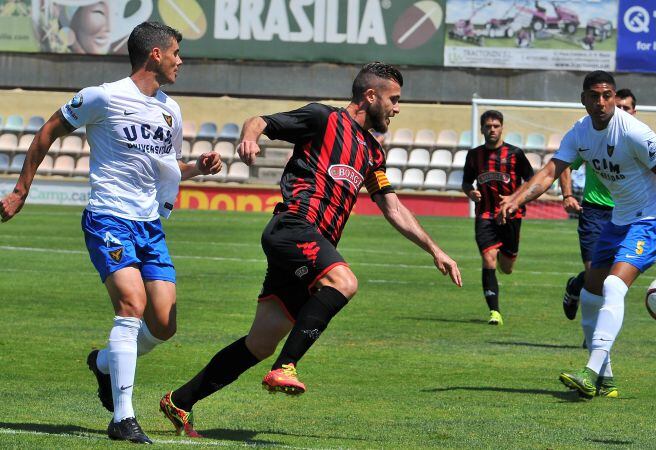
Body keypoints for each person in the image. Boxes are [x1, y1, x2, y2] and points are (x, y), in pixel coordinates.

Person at [158, 62, 462, 438]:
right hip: (293, 227)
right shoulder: (322, 118)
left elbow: (393, 206)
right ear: (371, 95)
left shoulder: (371, 151)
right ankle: (287, 367)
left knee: (260, 342)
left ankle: (181, 400)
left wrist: (435, 249)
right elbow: (260, 121)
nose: (398, 108)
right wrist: (250, 138)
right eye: (394, 99)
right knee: (344, 281)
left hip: (309, 244)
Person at [0, 21, 222, 443]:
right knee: (131, 305)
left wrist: (199, 167)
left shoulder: (170, 110)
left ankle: (103, 364)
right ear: (155, 54)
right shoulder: (102, 96)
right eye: (176, 52)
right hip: (109, 217)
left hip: (150, 225)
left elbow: (168, 168)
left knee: (164, 323)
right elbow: (48, 131)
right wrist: (19, 191)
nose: (181, 60)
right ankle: (123, 418)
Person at [499, 71, 656, 399]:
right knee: (590, 295)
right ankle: (607, 378)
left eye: (607, 95)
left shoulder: (634, 132)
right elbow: (549, 172)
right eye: (594, 96)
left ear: (614, 97)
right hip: (618, 221)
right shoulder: (580, 133)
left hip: (652, 220)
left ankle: (589, 371)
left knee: (614, 285)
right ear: (583, 99)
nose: (601, 102)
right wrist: (516, 198)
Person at [559, 89, 636, 323]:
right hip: (594, 212)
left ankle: (576, 284)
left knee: (613, 279)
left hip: (627, 214)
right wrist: (567, 195)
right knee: (599, 276)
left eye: (627, 108)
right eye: (619, 107)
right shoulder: (595, 136)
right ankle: (593, 334)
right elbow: (564, 164)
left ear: (635, 111)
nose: (622, 112)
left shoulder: (640, 138)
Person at [462, 110, 533, 325]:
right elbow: (466, 182)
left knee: (507, 267)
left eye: (496, 126)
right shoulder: (474, 155)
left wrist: (515, 198)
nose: (492, 130)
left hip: (512, 215)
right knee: (488, 258)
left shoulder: (515, 154)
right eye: (488, 126)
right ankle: (495, 312)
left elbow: (531, 181)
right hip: (485, 215)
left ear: (502, 128)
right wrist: (470, 192)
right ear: (482, 129)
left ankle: (507, 257)